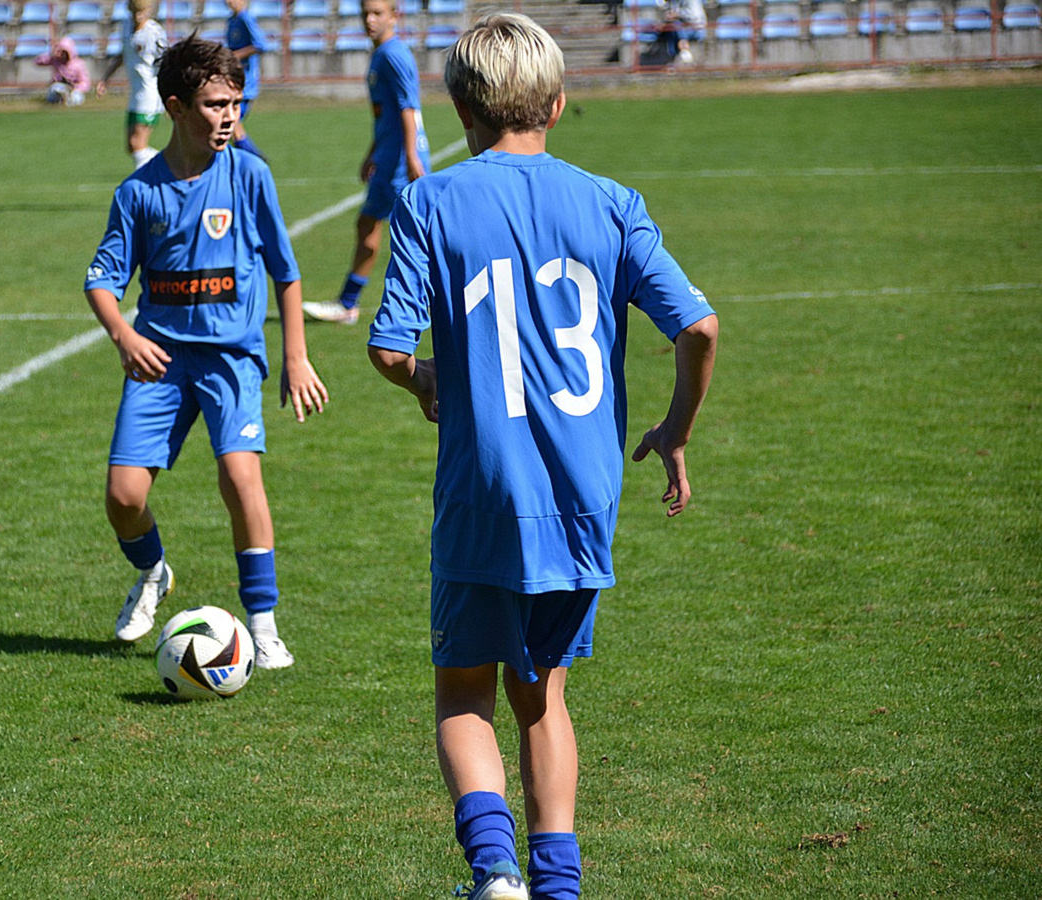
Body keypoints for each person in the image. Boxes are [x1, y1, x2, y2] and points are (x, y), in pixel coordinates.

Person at [366, 14, 718, 900]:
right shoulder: (611, 201)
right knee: (545, 697)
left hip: (485, 491)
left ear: (459, 108)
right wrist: (675, 431)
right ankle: (558, 887)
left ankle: (494, 872)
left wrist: (428, 382)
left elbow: (388, 347)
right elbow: (700, 328)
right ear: (559, 104)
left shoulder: (430, 202)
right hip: (583, 496)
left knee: (463, 696)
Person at [84, 35, 329, 670]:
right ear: (175, 107)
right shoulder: (139, 193)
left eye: (236, 104)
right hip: (161, 359)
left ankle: (264, 625)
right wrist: (125, 335)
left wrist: (296, 356)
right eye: (216, 105)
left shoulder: (249, 175)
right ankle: (153, 571)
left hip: (231, 358)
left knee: (241, 477)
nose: (229, 117)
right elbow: (102, 281)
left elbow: (286, 273)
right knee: (123, 496)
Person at [303, 0, 429, 326]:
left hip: (399, 161)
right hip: (388, 156)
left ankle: (358, 304)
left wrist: (411, 156)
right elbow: (386, 113)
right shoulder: (381, 54)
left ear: (394, 16)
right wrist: (372, 152)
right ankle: (348, 303)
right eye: (365, 14)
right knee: (369, 224)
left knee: (414, 235)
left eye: (377, 13)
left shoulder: (394, 54)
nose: (369, 20)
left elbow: (408, 107)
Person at [97, 0, 168, 168]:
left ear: (149, 10)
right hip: (135, 94)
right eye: (135, 12)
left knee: (138, 144)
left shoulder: (154, 32)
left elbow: (165, 63)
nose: (138, 16)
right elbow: (123, 54)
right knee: (131, 146)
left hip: (150, 94)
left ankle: (162, 171)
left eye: (141, 12)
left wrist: (168, 94)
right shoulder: (127, 26)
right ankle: (167, 166)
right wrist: (106, 78)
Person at [224, 0, 268, 158]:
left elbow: (261, 45)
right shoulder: (232, 20)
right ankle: (252, 157)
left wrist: (235, 56)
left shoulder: (246, 18)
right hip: (233, 79)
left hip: (245, 82)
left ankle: (253, 157)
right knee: (232, 124)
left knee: (230, 121)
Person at [35, 36, 92, 106]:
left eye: (65, 52)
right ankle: (57, 101)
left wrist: (77, 88)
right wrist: (51, 54)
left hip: (74, 89)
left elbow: (85, 82)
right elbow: (38, 62)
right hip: (60, 87)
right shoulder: (55, 61)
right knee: (55, 90)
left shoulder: (79, 64)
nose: (62, 55)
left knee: (76, 98)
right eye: (61, 52)